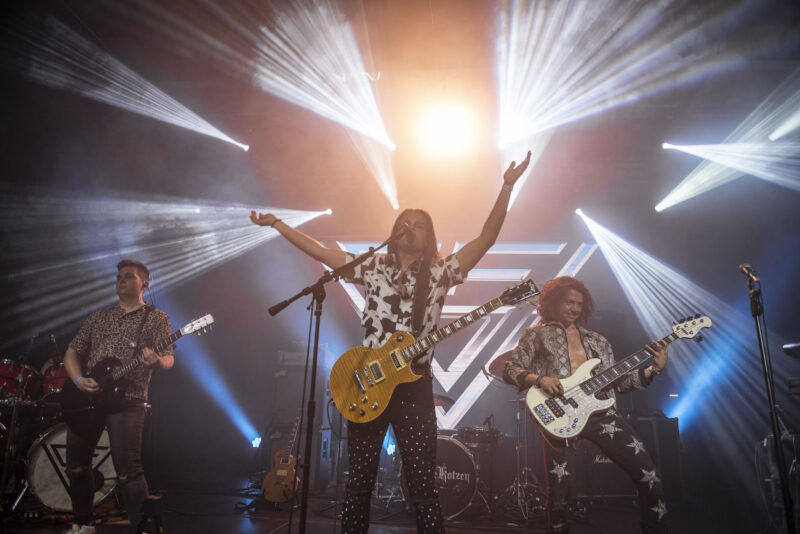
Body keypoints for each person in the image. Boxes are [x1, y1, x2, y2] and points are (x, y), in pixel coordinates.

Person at [250, 150, 531, 534]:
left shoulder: (440, 271)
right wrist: (279, 223)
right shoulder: (371, 266)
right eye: (405, 222)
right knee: (359, 482)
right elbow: (320, 251)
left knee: (422, 484)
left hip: (414, 387)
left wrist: (506, 187)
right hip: (367, 380)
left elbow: (487, 237)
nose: (410, 228)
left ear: (428, 235)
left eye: (418, 224)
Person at [503, 276, 668, 534]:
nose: (574, 308)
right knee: (560, 496)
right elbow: (509, 369)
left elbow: (620, 384)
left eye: (579, 304)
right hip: (558, 416)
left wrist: (653, 370)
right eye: (569, 302)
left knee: (649, 476)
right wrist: (540, 379)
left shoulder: (598, 341)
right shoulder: (536, 335)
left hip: (601, 414)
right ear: (554, 302)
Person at [62, 259, 174, 534]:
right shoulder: (99, 317)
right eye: (118, 277)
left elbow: (170, 358)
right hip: (88, 398)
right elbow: (72, 352)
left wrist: (156, 362)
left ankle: (143, 529)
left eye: (128, 276)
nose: (120, 280)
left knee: (129, 472)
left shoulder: (156, 318)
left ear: (144, 283)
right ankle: (83, 524)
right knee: (76, 465)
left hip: (129, 398)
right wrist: (78, 380)